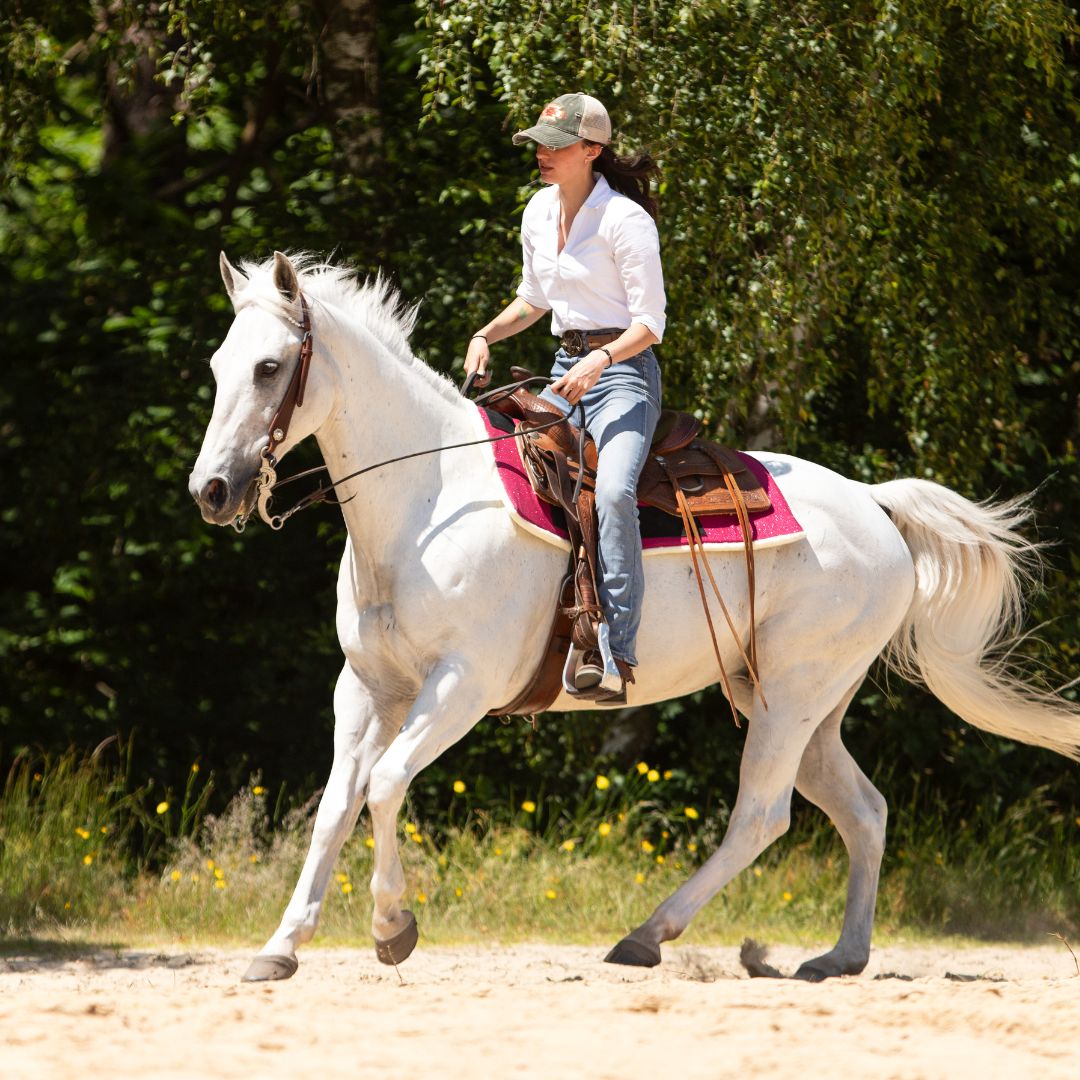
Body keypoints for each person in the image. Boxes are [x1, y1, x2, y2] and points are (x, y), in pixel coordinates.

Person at [464, 92, 666, 697]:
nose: (542, 155)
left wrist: (602, 360)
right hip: (562, 368)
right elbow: (535, 298)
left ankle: (616, 651)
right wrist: (485, 333)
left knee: (612, 491)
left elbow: (651, 323)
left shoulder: (626, 221)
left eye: (555, 146)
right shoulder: (535, 210)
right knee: (505, 467)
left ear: (592, 151)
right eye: (540, 145)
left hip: (624, 375)